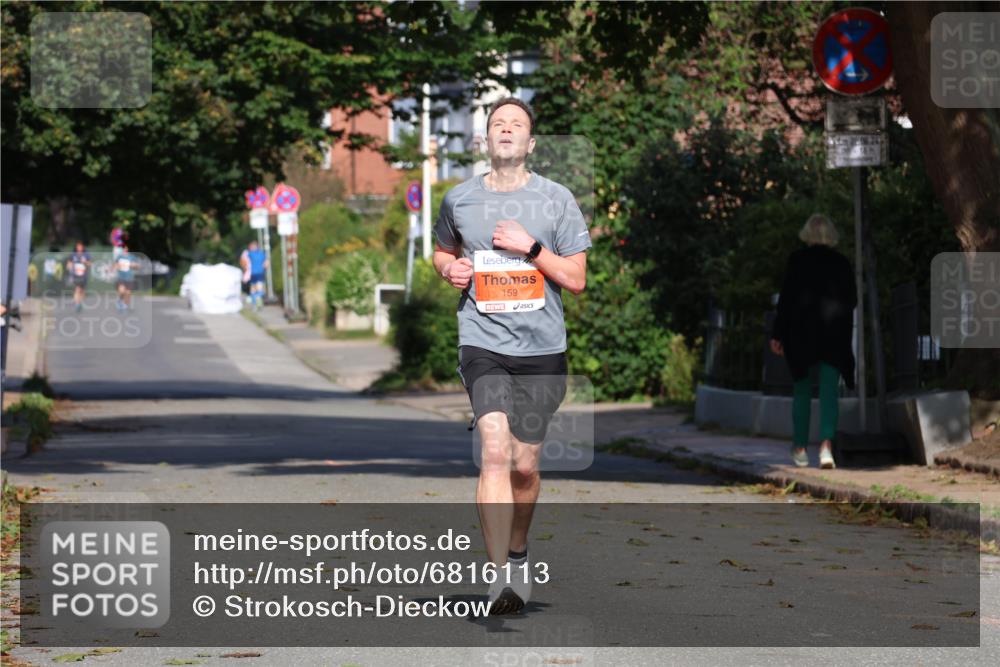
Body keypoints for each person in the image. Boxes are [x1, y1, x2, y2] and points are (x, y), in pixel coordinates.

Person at [433, 97, 591, 615]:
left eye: (516, 124)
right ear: (484, 139)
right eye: (497, 123)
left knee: (525, 465)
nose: (506, 130)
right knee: (495, 451)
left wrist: (531, 249)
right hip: (482, 342)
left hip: (542, 348)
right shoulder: (459, 199)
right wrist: (449, 269)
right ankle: (499, 576)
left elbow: (577, 279)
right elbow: (443, 250)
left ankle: (518, 553)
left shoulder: (557, 199)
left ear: (531, 142)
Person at [770, 214, 857, 469]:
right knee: (829, 391)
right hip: (833, 333)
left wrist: (777, 334)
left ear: (807, 233)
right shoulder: (841, 263)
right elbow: (852, 300)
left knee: (802, 390)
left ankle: (799, 449)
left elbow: (786, 299)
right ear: (831, 234)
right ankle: (826, 448)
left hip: (801, 334)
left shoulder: (797, 260)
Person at [239, 240, 268, 310]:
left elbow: (243, 260)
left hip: (253, 274)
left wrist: (245, 268)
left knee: (254, 290)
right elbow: (266, 264)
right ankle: (258, 303)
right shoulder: (262, 254)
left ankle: (255, 303)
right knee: (258, 290)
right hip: (259, 273)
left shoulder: (250, 254)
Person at [65, 241, 92, 313]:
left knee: (82, 291)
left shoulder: (86, 254)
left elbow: (90, 264)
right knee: (77, 289)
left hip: (83, 275)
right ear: (76, 247)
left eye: (81, 246)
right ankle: (77, 304)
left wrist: (85, 262)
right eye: (78, 246)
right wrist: (69, 266)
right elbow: (69, 263)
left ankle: (79, 302)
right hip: (75, 275)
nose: (79, 248)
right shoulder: (73, 255)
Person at [114, 243, 139, 311]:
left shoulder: (132, 257)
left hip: (129, 277)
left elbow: (137, 266)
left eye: (126, 248)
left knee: (128, 293)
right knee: (122, 291)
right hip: (121, 277)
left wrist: (134, 265)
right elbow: (115, 265)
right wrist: (116, 267)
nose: (125, 249)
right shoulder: (119, 257)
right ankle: (119, 300)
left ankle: (125, 306)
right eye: (124, 248)